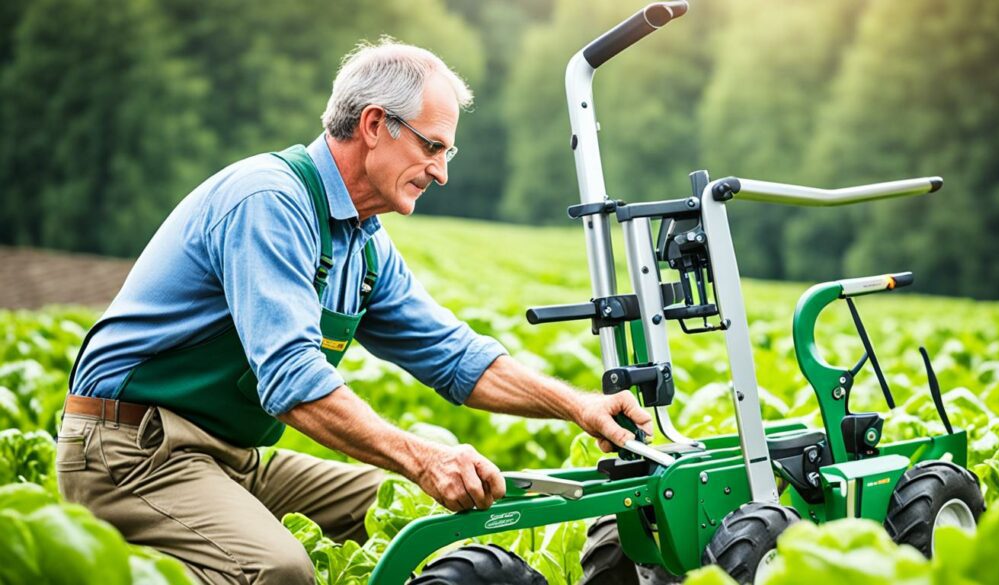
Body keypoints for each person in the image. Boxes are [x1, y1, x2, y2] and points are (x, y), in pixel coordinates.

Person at [58, 39, 652, 584]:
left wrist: (581, 407)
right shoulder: (269, 202)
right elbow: (292, 380)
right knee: (279, 571)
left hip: (231, 458)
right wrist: (424, 457)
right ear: (374, 125)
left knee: (416, 519)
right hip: (132, 452)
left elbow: (453, 356)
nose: (442, 172)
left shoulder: (362, 244)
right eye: (433, 146)